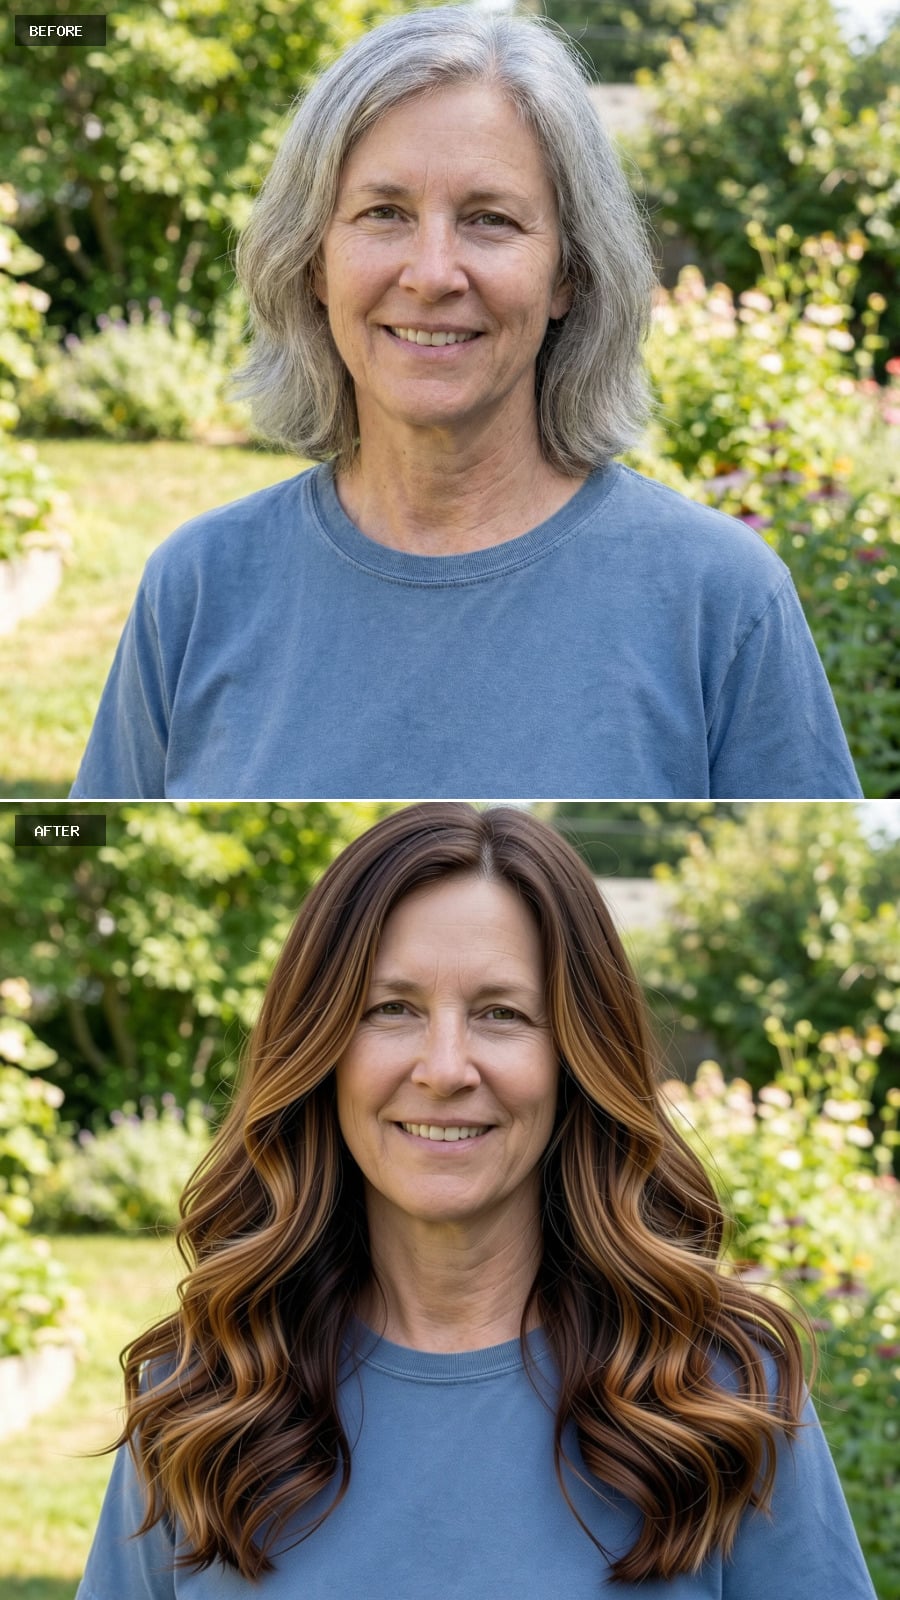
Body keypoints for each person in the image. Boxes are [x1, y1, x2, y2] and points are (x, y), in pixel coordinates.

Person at [77, 804, 876, 1599]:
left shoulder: (720, 1390)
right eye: (392, 1008)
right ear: (320, 1048)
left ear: (576, 1057)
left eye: (501, 1014)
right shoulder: (204, 1395)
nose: (445, 1067)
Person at [69, 8, 861, 801]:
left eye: (491, 220)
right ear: (313, 262)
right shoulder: (199, 585)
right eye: (385, 213)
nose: (433, 272)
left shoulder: (720, 600)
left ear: (568, 276)